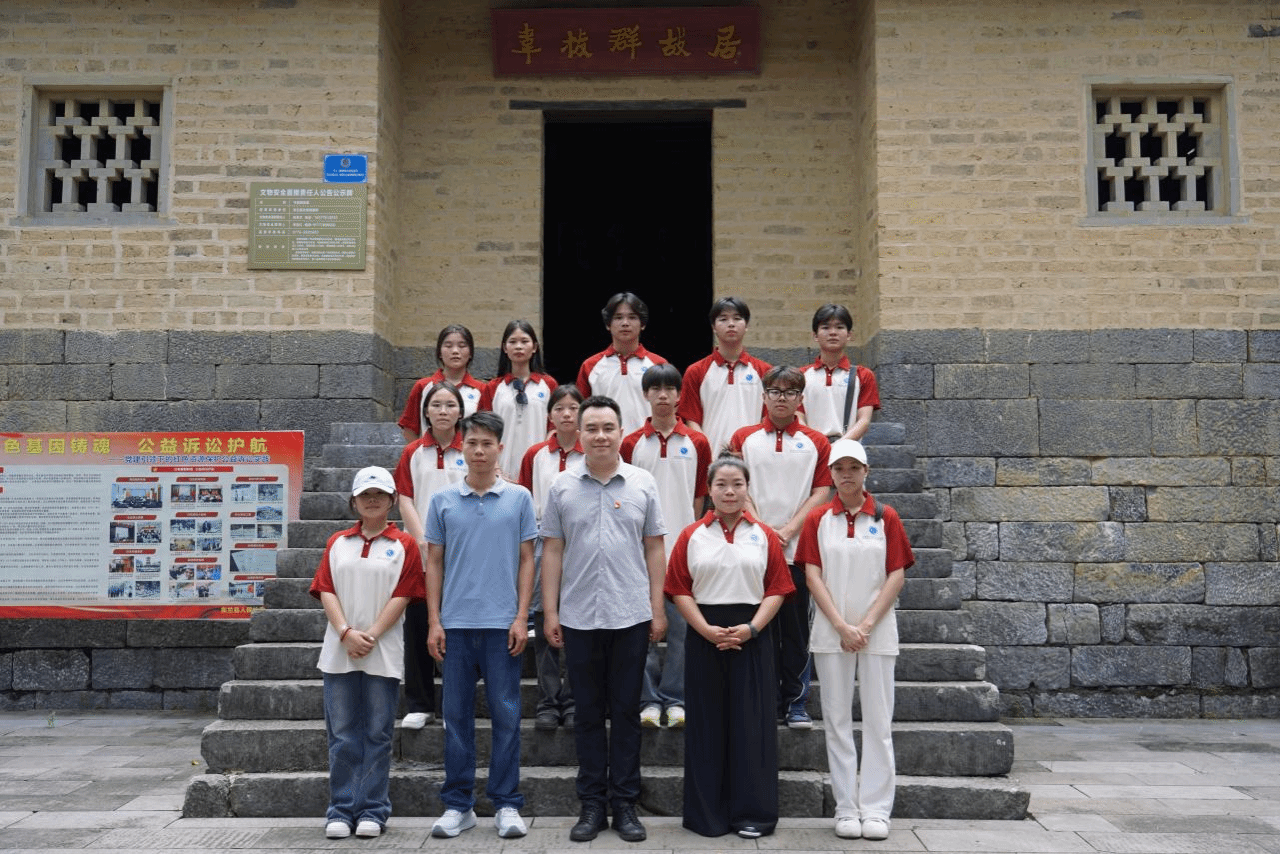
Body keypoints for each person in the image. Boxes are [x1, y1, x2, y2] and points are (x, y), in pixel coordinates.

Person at [540, 395, 667, 844]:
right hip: (578, 617)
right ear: (578, 433)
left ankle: (625, 804)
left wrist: (657, 608)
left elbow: (655, 547)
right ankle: (592, 804)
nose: (599, 436)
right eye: (591, 428)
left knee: (628, 713)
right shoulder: (561, 486)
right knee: (588, 714)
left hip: (630, 615)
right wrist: (550, 611)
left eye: (607, 428)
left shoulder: (642, 483)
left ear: (620, 432)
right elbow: (552, 549)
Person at [664, 456, 794, 838]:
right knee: (706, 726)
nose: (730, 491)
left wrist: (752, 628)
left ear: (747, 489)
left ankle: (753, 813)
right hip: (705, 635)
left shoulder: (764, 535)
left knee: (753, 725)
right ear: (709, 490)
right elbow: (678, 588)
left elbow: (778, 588)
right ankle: (708, 815)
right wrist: (705, 629)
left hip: (753, 635)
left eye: (737, 484)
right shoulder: (692, 535)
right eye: (721, 484)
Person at [424, 411, 537, 840]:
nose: (479, 450)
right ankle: (459, 805)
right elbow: (434, 562)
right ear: (462, 447)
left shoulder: (519, 498)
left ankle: (507, 803)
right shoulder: (442, 500)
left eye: (487, 443)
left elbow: (528, 560)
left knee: (506, 716)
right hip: (455, 625)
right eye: (472, 443)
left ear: (499, 448)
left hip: (501, 625)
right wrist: (434, 621)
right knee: (456, 718)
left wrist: (521, 616)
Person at [796, 439, 913, 841]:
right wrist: (842, 626)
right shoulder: (818, 519)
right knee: (837, 720)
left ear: (866, 471)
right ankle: (846, 807)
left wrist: (864, 624)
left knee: (879, 721)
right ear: (830, 474)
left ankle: (877, 809)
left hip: (877, 631)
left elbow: (896, 574)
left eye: (853, 468)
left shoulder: (887, 516)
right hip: (832, 632)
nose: (846, 475)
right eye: (839, 468)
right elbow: (812, 575)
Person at [309, 466, 425, 840]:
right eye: (365, 495)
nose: (372, 500)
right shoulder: (338, 542)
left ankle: (373, 809)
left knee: (377, 733)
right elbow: (326, 588)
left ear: (392, 500)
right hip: (339, 651)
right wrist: (345, 633)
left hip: (382, 650)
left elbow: (404, 594)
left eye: (379, 494)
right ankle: (341, 809)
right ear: (354, 501)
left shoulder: (404, 544)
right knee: (342, 734)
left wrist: (370, 636)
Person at [727, 365, 832, 729]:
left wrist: (788, 529)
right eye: (775, 391)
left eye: (790, 392)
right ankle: (765, 700)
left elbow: (822, 491)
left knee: (796, 632)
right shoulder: (744, 438)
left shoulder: (817, 442)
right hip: (753, 551)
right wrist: (760, 527)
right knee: (760, 630)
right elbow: (736, 487)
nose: (782, 398)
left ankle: (796, 701)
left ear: (801, 398)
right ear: (764, 396)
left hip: (798, 552)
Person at [619, 363, 711, 730]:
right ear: (645, 394)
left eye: (670, 389)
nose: (662, 395)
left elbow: (699, 497)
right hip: (639, 553)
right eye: (655, 389)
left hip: (682, 552)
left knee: (681, 631)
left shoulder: (697, 442)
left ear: (679, 395)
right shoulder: (630, 443)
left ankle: (675, 698)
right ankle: (647, 699)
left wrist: (690, 542)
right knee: (641, 630)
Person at [392, 382, 467, 730]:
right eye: (436, 405)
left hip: (463, 552)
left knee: (459, 629)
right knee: (419, 625)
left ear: (460, 412)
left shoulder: (471, 447)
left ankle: (456, 701)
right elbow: (405, 498)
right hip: (422, 554)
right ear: (425, 411)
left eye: (450, 405)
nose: (443, 411)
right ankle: (420, 703)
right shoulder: (413, 452)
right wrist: (422, 539)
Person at [517, 384, 584, 731]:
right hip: (544, 537)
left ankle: (573, 700)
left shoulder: (592, 451)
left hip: (581, 539)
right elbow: (525, 499)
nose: (567, 414)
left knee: (576, 620)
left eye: (574, 408)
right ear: (550, 415)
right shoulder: (536, 454)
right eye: (560, 408)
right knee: (544, 619)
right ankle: (547, 700)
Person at [678, 296, 771, 456]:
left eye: (737, 318)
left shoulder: (765, 371)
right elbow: (691, 420)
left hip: (752, 457)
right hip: (711, 459)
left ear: (746, 325)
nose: (731, 324)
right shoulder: (696, 371)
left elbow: (768, 418)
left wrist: (753, 451)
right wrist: (707, 453)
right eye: (723, 319)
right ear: (713, 327)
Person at [576, 292, 669, 435]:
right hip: (603, 443)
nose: (625, 323)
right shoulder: (590, 366)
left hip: (650, 442)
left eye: (632, 317)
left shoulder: (659, 364)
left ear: (643, 324)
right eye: (618, 317)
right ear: (608, 324)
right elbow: (580, 413)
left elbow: (671, 411)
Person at [479, 320, 555, 480]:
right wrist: (496, 467)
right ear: (504, 348)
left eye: (524, 341)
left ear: (534, 347)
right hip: (500, 471)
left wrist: (545, 460)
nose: (518, 346)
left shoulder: (548, 385)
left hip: (539, 470)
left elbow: (554, 427)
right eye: (512, 342)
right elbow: (484, 430)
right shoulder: (493, 387)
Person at [803, 304, 881, 441]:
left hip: (848, 448)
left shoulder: (863, 375)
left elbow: (864, 420)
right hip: (811, 446)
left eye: (839, 327)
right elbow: (797, 417)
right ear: (815, 335)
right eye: (825, 327)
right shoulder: (800, 376)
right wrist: (818, 445)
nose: (833, 332)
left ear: (849, 335)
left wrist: (840, 445)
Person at [399, 324, 485, 442]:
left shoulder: (482, 390)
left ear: (470, 352)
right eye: (448, 346)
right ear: (439, 352)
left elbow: (487, 430)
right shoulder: (423, 386)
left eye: (462, 346)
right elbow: (410, 429)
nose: (455, 351)